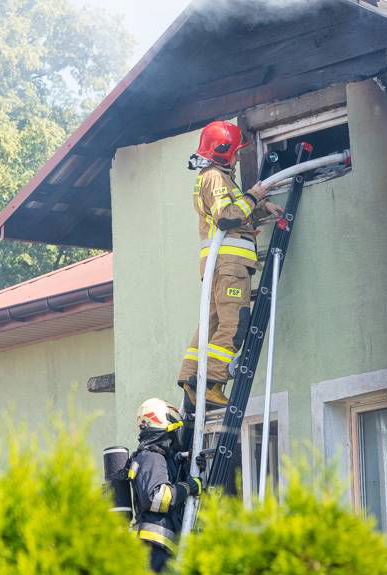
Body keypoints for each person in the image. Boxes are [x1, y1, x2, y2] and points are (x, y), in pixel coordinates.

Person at [177, 120, 283, 408]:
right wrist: (254, 196)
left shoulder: (214, 178)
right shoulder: (215, 177)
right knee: (236, 325)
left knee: (211, 325)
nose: (237, 157)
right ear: (221, 150)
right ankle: (211, 382)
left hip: (219, 267)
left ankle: (191, 376)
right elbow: (226, 216)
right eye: (235, 152)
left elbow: (231, 211)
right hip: (230, 266)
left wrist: (261, 207)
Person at [131, 398, 204, 573]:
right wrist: (187, 487)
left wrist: (194, 465)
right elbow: (157, 497)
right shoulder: (152, 457)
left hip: (160, 546)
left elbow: (169, 477)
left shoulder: (155, 457)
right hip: (155, 547)